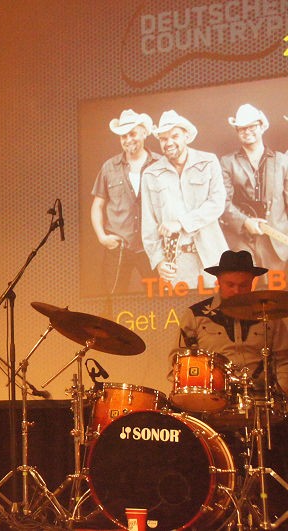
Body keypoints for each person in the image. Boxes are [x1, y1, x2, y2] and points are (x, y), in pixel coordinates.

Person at [173, 249, 288, 520]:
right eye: (230, 285)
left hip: (261, 405)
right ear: (218, 282)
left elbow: (284, 360)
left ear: (253, 283)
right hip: (211, 405)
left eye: (243, 285)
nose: (237, 291)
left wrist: (282, 396)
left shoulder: (271, 316)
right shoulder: (196, 315)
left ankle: (275, 514)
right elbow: (177, 362)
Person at [141, 109, 228, 289]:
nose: (169, 143)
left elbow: (217, 203)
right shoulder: (150, 174)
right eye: (163, 139)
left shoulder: (209, 162)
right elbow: (149, 224)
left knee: (222, 305)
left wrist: (181, 223)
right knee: (185, 308)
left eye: (175, 136)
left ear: (186, 136)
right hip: (177, 263)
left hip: (213, 256)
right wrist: (159, 261)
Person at [90, 109, 159, 293]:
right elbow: (97, 205)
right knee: (111, 300)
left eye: (132, 134)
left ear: (144, 133)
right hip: (118, 248)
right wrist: (102, 237)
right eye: (123, 136)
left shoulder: (160, 164)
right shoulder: (109, 167)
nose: (128, 139)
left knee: (160, 298)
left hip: (152, 248)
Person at [220, 104, 288, 272]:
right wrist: (245, 222)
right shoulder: (227, 162)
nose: (247, 131)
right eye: (242, 128)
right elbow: (222, 202)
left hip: (276, 244)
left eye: (252, 126)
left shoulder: (281, 161)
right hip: (241, 243)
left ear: (262, 126)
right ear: (237, 131)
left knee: (275, 289)